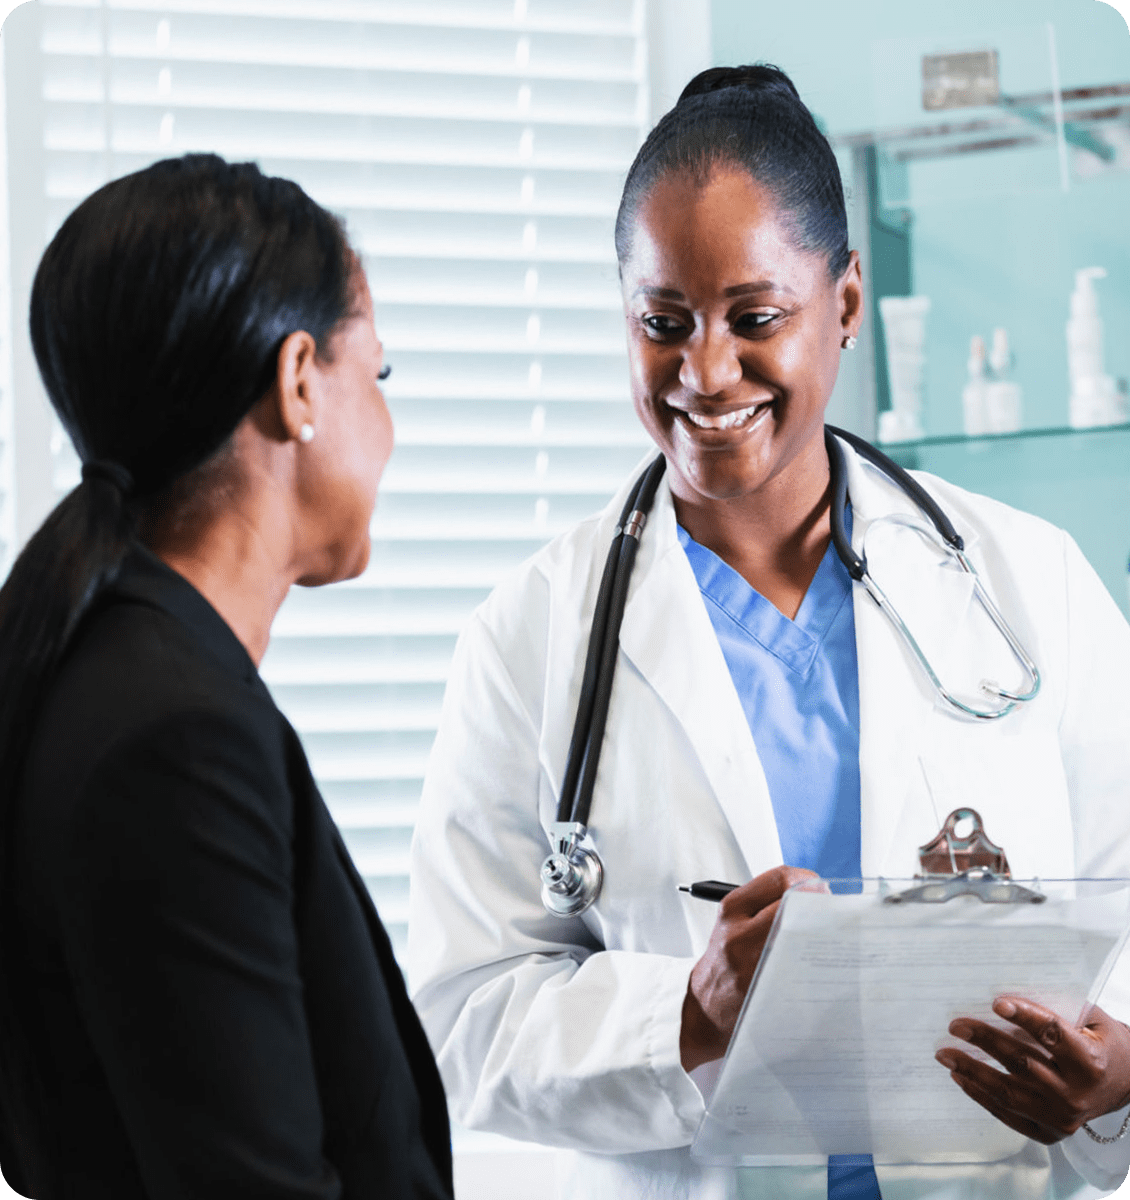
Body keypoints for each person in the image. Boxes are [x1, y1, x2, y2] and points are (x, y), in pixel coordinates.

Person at [407, 65, 1130, 1200]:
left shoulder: (1026, 582)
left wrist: (1117, 1064)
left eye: (754, 318)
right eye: (661, 322)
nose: (702, 371)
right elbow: (466, 1017)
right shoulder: (528, 639)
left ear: (843, 305)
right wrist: (683, 1015)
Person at [0, 154, 454, 1200]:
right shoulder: (172, 739)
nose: (387, 428)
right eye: (374, 376)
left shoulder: (125, 675)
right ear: (299, 382)